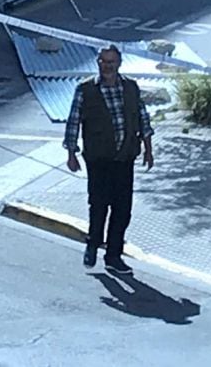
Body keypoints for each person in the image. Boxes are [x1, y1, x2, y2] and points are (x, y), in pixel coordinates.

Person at [64, 44, 155, 276]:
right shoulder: (85, 90)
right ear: (98, 63)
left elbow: (143, 118)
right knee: (99, 205)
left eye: (111, 62)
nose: (107, 66)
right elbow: (73, 122)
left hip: (124, 157)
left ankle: (114, 255)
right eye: (103, 61)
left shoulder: (131, 88)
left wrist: (148, 149)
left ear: (119, 63)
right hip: (98, 158)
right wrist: (71, 153)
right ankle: (93, 243)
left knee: (122, 209)